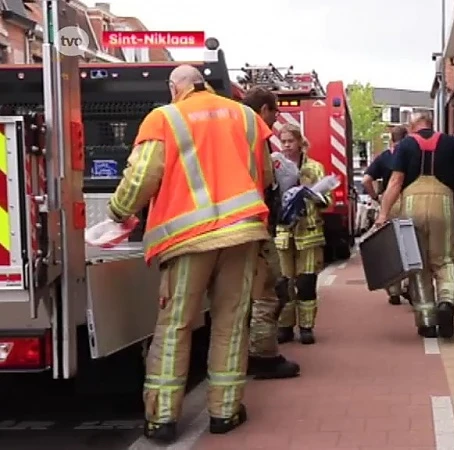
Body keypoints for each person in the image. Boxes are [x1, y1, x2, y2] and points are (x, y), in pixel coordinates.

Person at [106, 65, 271, 442]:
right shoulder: (246, 115)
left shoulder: (164, 117)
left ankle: (162, 418)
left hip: (186, 238)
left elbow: (142, 175)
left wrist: (119, 212)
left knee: (175, 324)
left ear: (174, 87)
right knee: (231, 323)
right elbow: (265, 174)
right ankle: (225, 413)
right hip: (242, 233)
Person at [376, 112, 454, 338]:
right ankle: (447, 302)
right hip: (444, 206)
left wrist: (383, 213)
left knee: (418, 264)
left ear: (412, 126)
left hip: (412, 206)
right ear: (431, 124)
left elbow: (395, 182)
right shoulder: (452, 143)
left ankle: (426, 321)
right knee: (446, 259)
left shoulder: (405, 145)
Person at [241, 87, 301, 378]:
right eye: (274, 112)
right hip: (253, 225)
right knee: (271, 291)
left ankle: (246, 354)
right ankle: (263, 356)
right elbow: (266, 180)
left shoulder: (231, 130)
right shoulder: (255, 134)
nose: (275, 120)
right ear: (264, 109)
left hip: (224, 226)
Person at [275, 124, 329, 345]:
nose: (286, 145)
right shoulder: (275, 166)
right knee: (284, 284)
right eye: (283, 141)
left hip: (309, 233)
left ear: (300, 142)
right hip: (283, 233)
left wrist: (314, 197)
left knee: (306, 282)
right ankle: (285, 327)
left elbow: (328, 201)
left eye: (290, 141)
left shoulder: (314, 168)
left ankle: (306, 327)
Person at [363, 125, 409, 305]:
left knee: (391, 247)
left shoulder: (384, 157)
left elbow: (366, 180)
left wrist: (376, 197)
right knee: (410, 244)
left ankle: (393, 290)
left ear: (391, 139)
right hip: (409, 201)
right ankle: (409, 285)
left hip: (389, 204)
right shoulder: (411, 153)